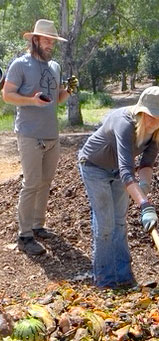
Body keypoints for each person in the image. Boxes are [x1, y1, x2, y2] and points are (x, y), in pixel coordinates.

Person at [77, 86, 159, 288]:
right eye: (150, 115)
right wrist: (144, 205)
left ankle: (124, 276)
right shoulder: (125, 123)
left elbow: (146, 164)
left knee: (119, 222)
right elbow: (127, 172)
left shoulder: (157, 132)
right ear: (141, 111)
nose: (154, 121)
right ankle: (105, 280)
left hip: (118, 171)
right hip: (94, 167)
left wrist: (144, 185)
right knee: (105, 224)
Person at [2, 19, 78, 256]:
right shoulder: (20, 64)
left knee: (45, 182)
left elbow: (57, 99)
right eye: (46, 40)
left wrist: (69, 90)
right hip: (29, 133)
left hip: (52, 134)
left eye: (52, 41)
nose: (50, 45)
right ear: (35, 40)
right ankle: (24, 236)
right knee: (31, 183)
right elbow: (7, 95)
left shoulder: (54, 67)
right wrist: (31, 101)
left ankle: (38, 226)